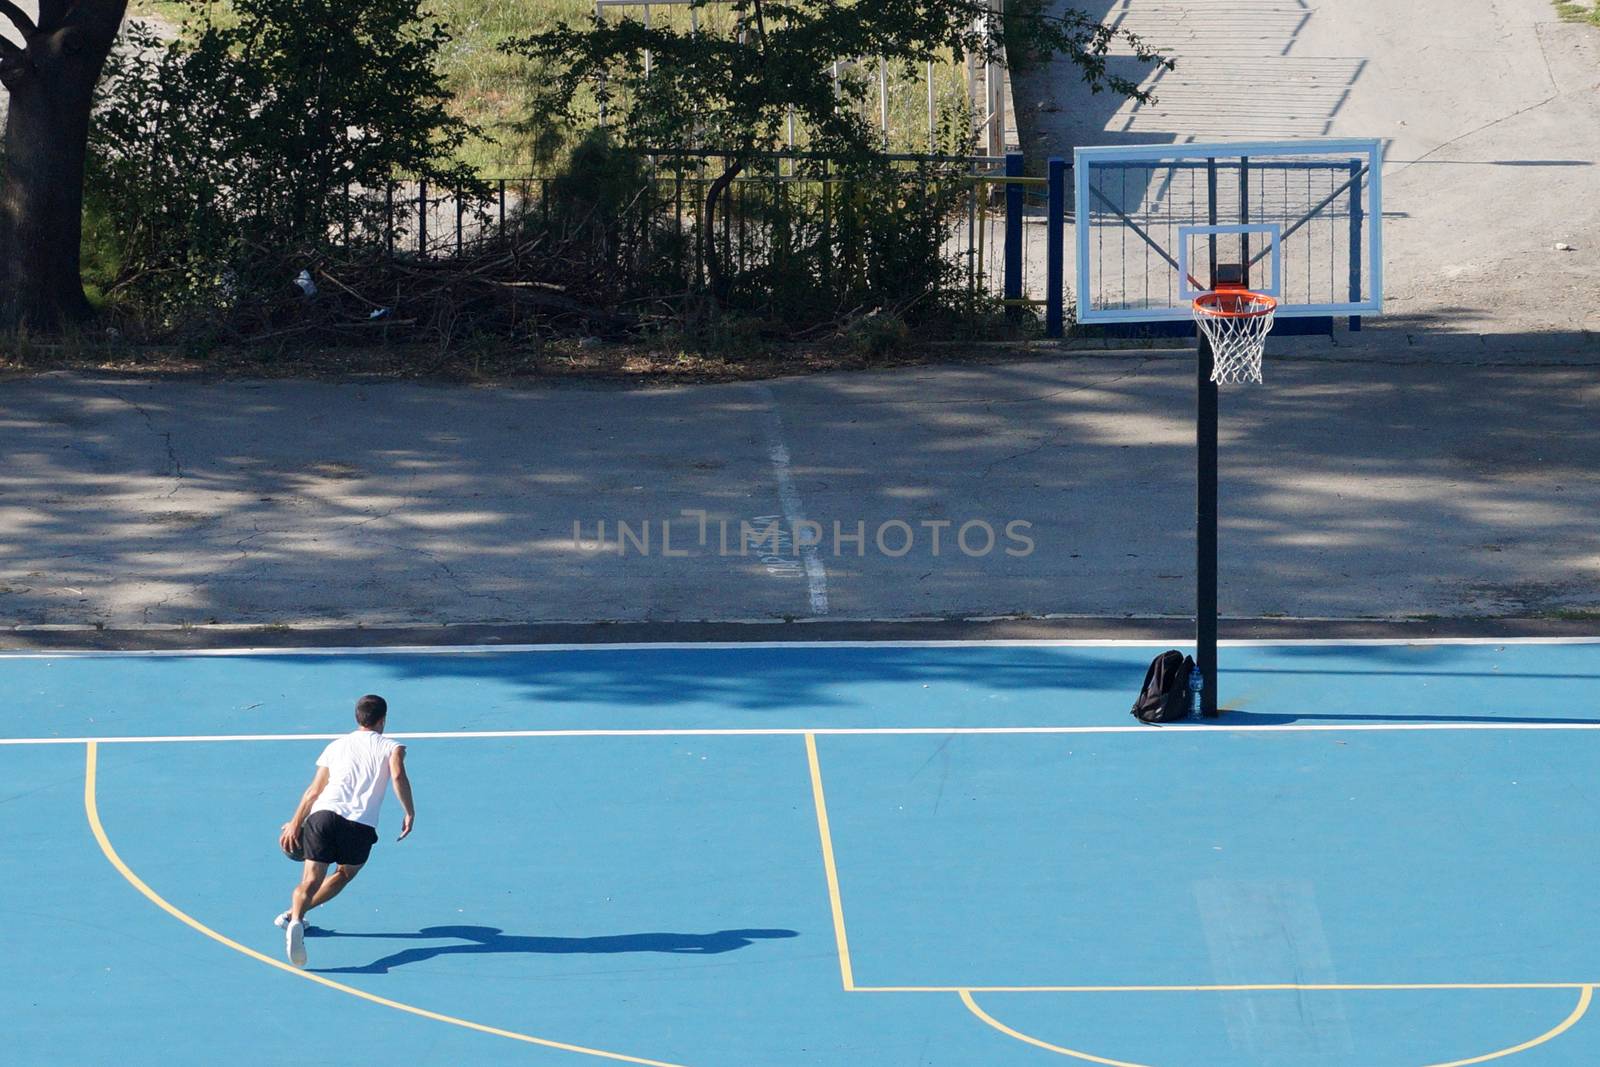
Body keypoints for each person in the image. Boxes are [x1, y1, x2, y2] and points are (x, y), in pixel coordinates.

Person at [275, 694, 414, 967]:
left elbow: (314, 791)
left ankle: (296, 918)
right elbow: (397, 775)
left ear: (357, 718)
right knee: (345, 873)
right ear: (383, 720)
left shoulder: (336, 746)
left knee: (310, 881)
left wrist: (294, 822)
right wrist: (409, 811)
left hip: (323, 816)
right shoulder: (392, 747)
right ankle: (294, 918)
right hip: (360, 825)